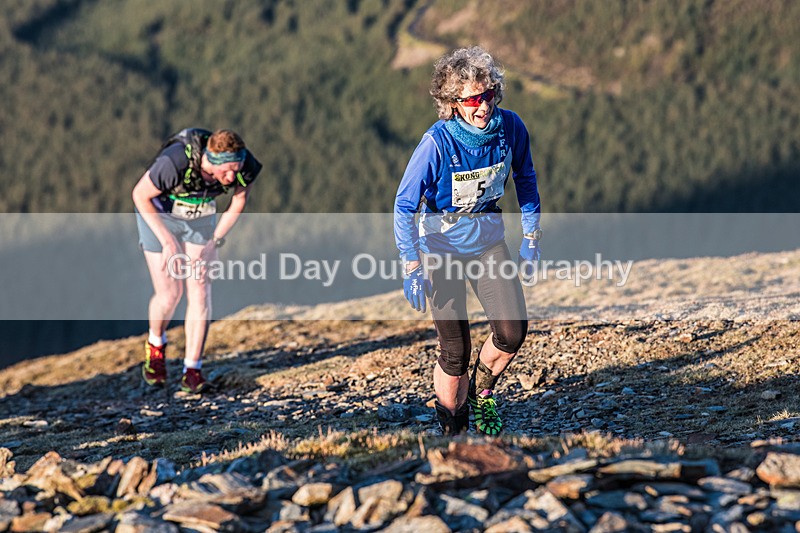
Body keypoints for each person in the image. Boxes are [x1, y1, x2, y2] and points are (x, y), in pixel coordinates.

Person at [393, 46, 542, 436]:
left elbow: (525, 179)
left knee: (512, 332)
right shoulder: (436, 144)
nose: (484, 106)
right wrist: (411, 264)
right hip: (440, 249)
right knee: (455, 352)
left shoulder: (511, 128)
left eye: (488, 94)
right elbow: (404, 204)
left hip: (488, 241)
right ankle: (453, 432)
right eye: (473, 99)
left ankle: (482, 394)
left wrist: (530, 237)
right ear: (453, 103)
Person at [132, 128, 262, 393]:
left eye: (236, 169)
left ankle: (192, 371)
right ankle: (156, 345)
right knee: (170, 294)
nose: (232, 177)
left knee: (200, 289)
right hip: (159, 215)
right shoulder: (175, 161)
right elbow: (140, 195)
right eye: (226, 170)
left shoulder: (244, 164)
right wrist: (168, 241)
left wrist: (214, 243)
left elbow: (238, 202)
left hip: (200, 217)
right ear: (210, 160)